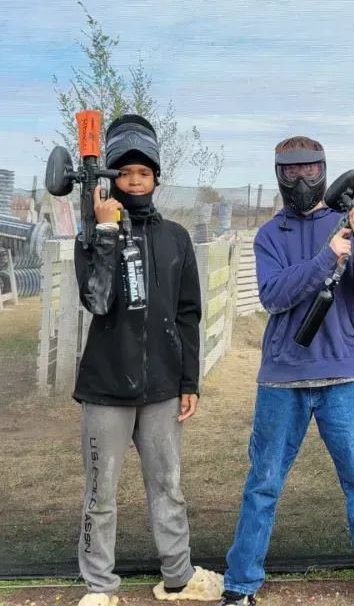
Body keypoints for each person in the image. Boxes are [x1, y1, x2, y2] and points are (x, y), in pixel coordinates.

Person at [219, 137, 354, 606]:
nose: (301, 179)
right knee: (263, 484)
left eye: (310, 169)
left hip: (345, 377)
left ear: (324, 169)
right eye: (291, 171)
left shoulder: (347, 222)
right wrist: (328, 256)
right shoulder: (269, 235)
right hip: (283, 378)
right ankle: (240, 587)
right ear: (278, 174)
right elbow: (274, 295)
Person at [73, 115, 223, 606]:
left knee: (168, 488)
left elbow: (188, 315)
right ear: (110, 178)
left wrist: (189, 381)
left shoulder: (176, 237)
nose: (135, 181)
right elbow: (97, 300)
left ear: (156, 177)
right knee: (100, 496)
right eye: (124, 173)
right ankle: (100, 587)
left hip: (161, 388)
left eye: (144, 172)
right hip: (106, 390)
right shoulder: (93, 235)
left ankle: (177, 577)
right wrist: (108, 231)